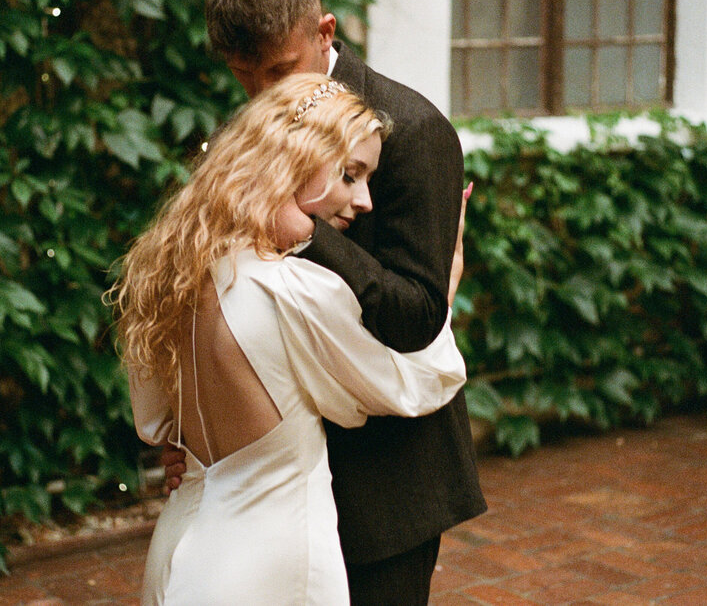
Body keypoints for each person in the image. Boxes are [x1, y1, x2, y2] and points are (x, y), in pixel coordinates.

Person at [192, 0, 488, 605]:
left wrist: (306, 236)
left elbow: (417, 314)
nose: (260, 94)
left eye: (277, 71)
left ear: (325, 31)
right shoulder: (260, 124)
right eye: (245, 77)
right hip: (274, 486)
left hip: (383, 490)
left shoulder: (415, 132)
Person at [114, 73, 469, 604]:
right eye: (350, 175)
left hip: (180, 551)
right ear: (295, 160)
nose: (365, 199)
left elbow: (154, 421)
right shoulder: (292, 289)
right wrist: (448, 280)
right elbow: (413, 384)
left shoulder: (171, 273)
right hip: (271, 567)